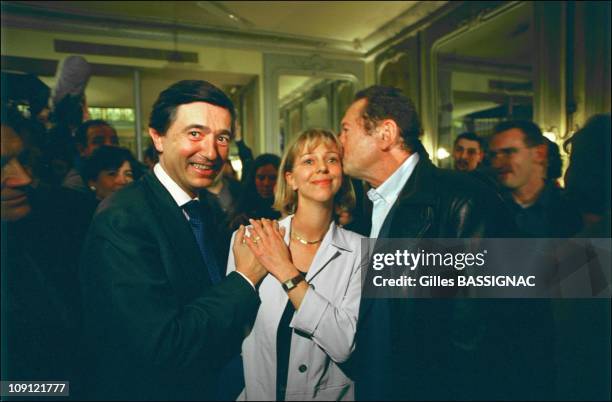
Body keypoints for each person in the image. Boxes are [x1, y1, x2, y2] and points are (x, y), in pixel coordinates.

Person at [338, 86, 553, 400]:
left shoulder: (463, 201)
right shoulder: (367, 207)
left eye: (346, 129)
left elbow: (478, 336)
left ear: (386, 134)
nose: (339, 140)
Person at [79, 80, 266, 400]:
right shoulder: (124, 218)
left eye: (222, 138)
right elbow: (162, 344)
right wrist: (245, 278)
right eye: (195, 134)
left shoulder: (202, 207)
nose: (211, 152)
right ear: (158, 137)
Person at [227, 128, 362, 400]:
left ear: (342, 176)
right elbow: (231, 327)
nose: (322, 167)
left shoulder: (361, 251)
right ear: (291, 179)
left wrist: (286, 271)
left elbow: (344, 345)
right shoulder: (252, 239)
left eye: (332, 160)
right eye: (309, 160)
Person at [489, 120, 582, 237]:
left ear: (539, 153)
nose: (498, 164)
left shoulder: (571, 211)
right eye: (493, 155)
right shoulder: (487, 209)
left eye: (509, 152)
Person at [62, 119, 120, 192]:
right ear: (82, 149)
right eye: (99, 142)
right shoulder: (76, 184)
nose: (109, 145)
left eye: (114, 141)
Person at [231, 153, 281, 228]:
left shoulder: (288, 206)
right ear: (253, 179)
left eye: (272, 178)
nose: (266, 183)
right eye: (261, 178)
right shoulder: (243, 202)